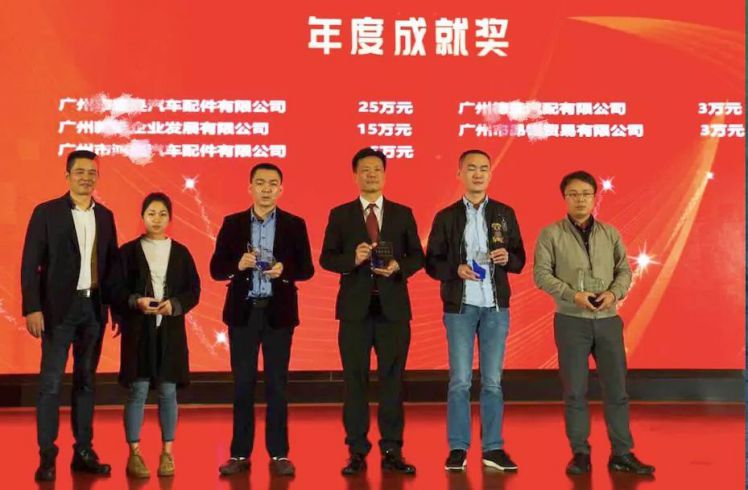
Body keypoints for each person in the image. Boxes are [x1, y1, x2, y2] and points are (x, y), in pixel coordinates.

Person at [533, 170, 655, 475]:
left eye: (586, 194)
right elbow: (541, 274)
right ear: (564, 198)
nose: (580, 200)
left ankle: (622, 453)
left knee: (617, 390)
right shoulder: (551, 234)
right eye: (573, 194)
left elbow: (624, 270)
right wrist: (573, 296)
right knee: (575, 391)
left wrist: (614, 294)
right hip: (570, 321)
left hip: (608, 321)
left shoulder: (610, 233)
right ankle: (580, 454)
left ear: (594, 197)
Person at [320, 147, 424, 476]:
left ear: (385, 174)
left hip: (393, 310)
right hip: (355, 311)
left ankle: (392, 448)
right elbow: (326, 258)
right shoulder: (340, 214)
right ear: (355, 175)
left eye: (377, 169)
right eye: (365, 169)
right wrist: (352, 259)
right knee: (355, 382)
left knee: (393, 381)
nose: (371, 175)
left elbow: (417, 257)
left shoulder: (402, 213)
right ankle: (357, 450)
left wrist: (397, 266)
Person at [21, 150, 119, 481]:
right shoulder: (46, 212)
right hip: (57, 311)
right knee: (50, 384)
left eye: (92, 172)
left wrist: (115, 308)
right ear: (67, 176)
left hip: (93, 309)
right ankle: (47, 456)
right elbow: (30, 264)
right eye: (80, 172)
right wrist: (32, 307)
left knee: (86, 382)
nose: (86, 177)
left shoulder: (105, 216)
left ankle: (84, 451)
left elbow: (112, 267)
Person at [425, 149, 525, 472]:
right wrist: (455, 269)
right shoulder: (446, 216)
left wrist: (507, 258)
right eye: (471, 168)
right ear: (459, 174)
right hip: (460, 307)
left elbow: (520, 259)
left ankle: (493, 448)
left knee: (493, 381)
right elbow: (431, 263)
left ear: (490, 174)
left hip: (495, 307)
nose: (478, 174)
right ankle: (458, 447)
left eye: (484, 168)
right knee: (460, 381)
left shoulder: (505, 213)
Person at [212, 163, 314, 477]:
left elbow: (307, 269)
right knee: (243, 385)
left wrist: (285, 270)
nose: (266, 189)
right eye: (260, 183)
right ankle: (239, 453)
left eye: (272, 183)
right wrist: (238, 264)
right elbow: (216, 269)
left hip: (277, 314)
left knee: (277, 386)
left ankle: (279, 454)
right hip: (243, 314)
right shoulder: (233, 223)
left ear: (281, 189)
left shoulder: (294, 224)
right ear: (250, 187)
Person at [113, 192, 200, 478]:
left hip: (170, 331)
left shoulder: (181, 253)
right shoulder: (128, 252)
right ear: (142, 217)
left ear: (170, 218)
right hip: (138, 331)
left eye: (162, 214)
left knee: (168, 390)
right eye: (151, 213)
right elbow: (115, 289)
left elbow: (193, 290)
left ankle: (167, 453)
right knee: (138, 390)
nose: (157, 219)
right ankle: (135, 453)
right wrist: (135, 301)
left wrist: (175, 305)